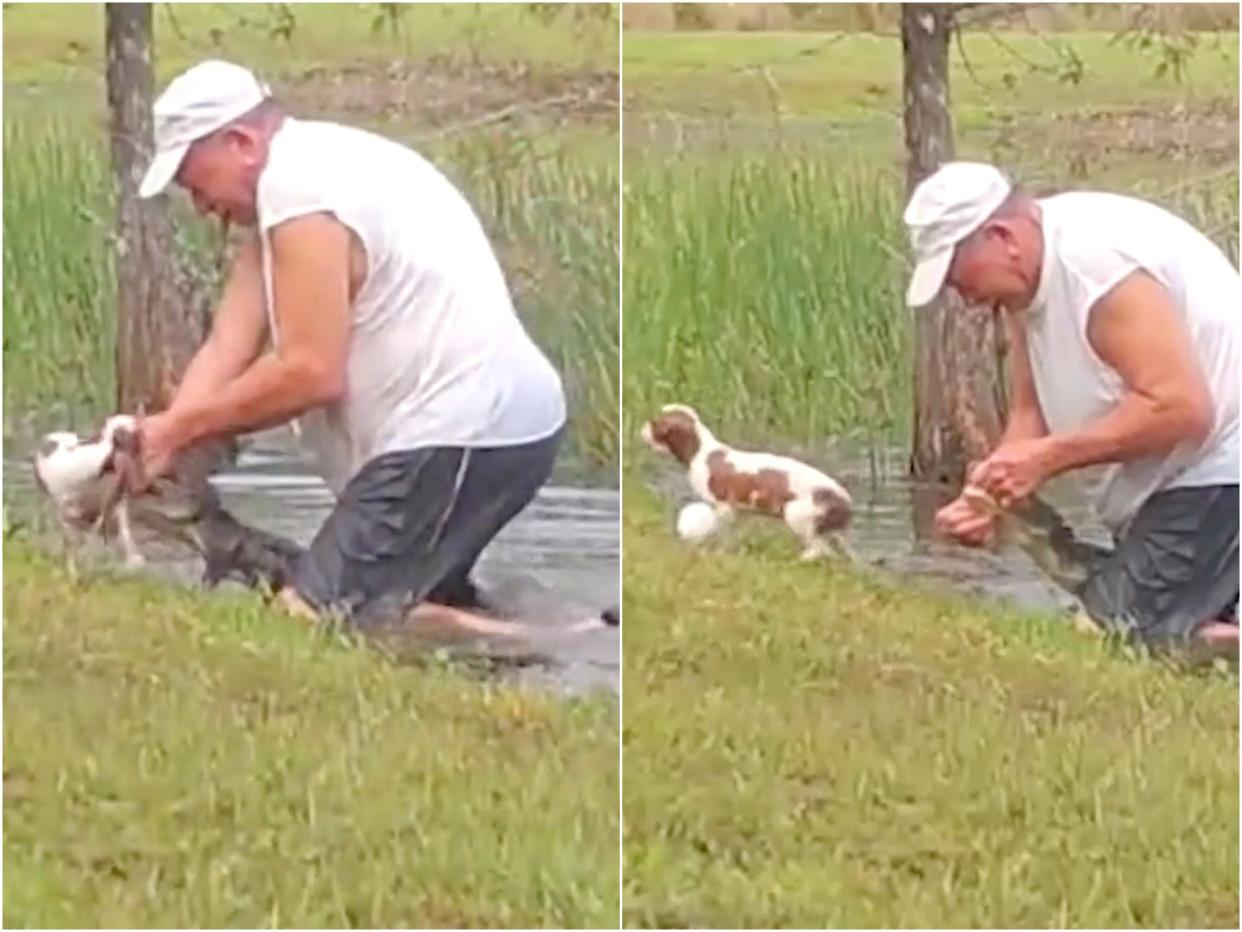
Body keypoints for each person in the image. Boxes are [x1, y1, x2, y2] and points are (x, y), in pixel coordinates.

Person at [134, 59, 570, 629]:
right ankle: (558, 636)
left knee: (311, 619)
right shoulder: (298, 184)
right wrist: (159, 447)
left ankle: (575, 651)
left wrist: (179, 429)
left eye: (195, 181)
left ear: (240, 142)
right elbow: (225, 347)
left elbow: (310, 371)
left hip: (461, 429)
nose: (199, 204)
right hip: (480, 429)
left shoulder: (299, 190)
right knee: (403, 607)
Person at [904, 161, 1239, 651]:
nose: (963, 296)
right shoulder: (1028, 282)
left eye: (956, 275)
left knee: (1108, 635)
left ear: (1003, 238)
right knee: (1126, 606)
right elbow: (1028, 413)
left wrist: (1048, 458)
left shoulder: (1098, 268)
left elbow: (1182, 408)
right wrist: (988, 495)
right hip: (1178, 483)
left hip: (1219, 469)